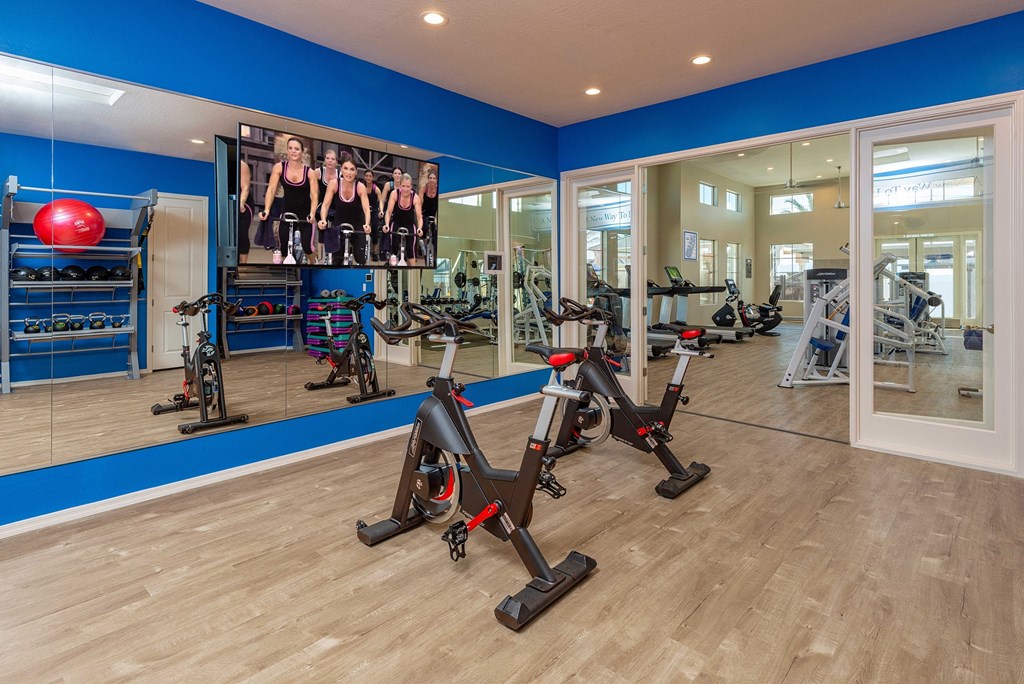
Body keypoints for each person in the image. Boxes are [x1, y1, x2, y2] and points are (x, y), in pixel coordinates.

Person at [259, 136, 318, 262]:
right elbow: (271, 189)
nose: (293, 151)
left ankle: (314, 264)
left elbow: (314, 195)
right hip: (287, 210)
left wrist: (312, 214)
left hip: (305, 213)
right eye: (290, 148)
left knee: (308, 247)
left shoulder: (309, 172)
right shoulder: (279, 167)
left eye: (297, 149)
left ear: (302, 152)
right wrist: (267, 210)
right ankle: (288, 274)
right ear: (287, 150)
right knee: (284, 247)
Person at [319, 154, 372, 265]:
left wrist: (367, 224)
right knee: (337, 260)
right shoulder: (334, 184)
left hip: (358, 225)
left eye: (352, 169)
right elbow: (325, 205)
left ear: (356, 172)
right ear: (341, 170)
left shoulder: (360, 186)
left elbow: (366, 209)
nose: (349, 173)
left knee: (360, 258)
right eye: (346, 169)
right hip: (339, 224)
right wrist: (323, 219)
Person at [383, 172, 423, 266]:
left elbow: (419, 217)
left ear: (411, 186)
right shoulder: (394, 194)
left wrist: (419, 228)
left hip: (409, 225)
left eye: (408, 186)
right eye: (403, 186)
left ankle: (413, 273)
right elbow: (388, 213)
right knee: (394, 249)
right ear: (400, 186)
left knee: (411, 251)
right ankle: (392, 267)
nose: (405, 189)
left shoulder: (415, 197)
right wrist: (386, 224)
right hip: (396, 223)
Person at [363, 169, 383, 260]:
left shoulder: (376, 189)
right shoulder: (361, 187)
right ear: (364, 177)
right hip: (363, 210)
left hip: (374, 210)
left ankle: (375, 252)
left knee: (375, 230)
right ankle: (362, 249)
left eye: (370, 176)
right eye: (366, 175)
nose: (368, 177)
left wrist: (381, 210)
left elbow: (381, 201)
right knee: (361, 229)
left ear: (373, 177)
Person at [238, 160, 252, 264]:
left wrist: (241, 203)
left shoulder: (242, 165)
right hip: (228, 201)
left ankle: (242, 264)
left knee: (242, 232)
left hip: (244, 202)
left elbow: (245, 187)